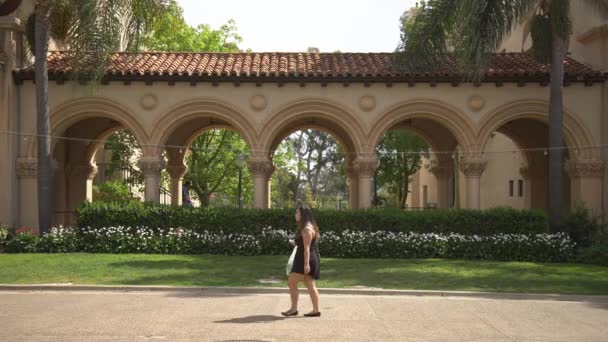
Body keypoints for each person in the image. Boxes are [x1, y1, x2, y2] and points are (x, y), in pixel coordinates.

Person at [281, 205, 321, 317]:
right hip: (304, 257)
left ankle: (294, 309)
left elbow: (307, 248)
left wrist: (306, 264)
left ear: (302, 215)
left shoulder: (307, 229)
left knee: (291, 281)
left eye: (297, 213)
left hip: (305, 259)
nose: (295, 214)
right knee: (309, 284)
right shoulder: (306, 227)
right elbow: (304, 245)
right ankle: (316, 310)